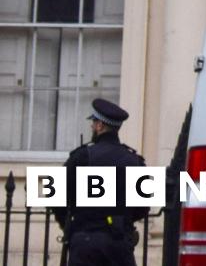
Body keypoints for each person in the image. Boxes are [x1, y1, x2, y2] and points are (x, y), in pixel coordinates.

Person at [53, 99, 148, 266]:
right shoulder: (135, 161)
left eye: (93, 122)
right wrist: (123, 219)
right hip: (119, 242)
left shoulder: (81, 156)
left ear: (100, 126)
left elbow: (56, 195)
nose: (91, 126)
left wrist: (67, 224)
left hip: (85, 242)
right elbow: (143, 207)